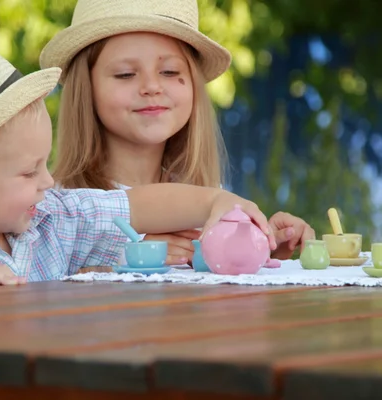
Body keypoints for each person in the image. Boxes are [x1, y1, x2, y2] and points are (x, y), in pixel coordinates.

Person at [0, 35, 276, 292]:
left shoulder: (51, 219)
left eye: (43, 164)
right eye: (30, 172)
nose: (48, 181)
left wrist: (213, 203)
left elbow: (136, 206)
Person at [39, 0, 315, 266]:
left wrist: (258, 244)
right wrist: (129, 256)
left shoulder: (209, 199)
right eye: (125, 74)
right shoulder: (57, 206)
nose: (152, 86)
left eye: (170, 71)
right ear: (85, 89)